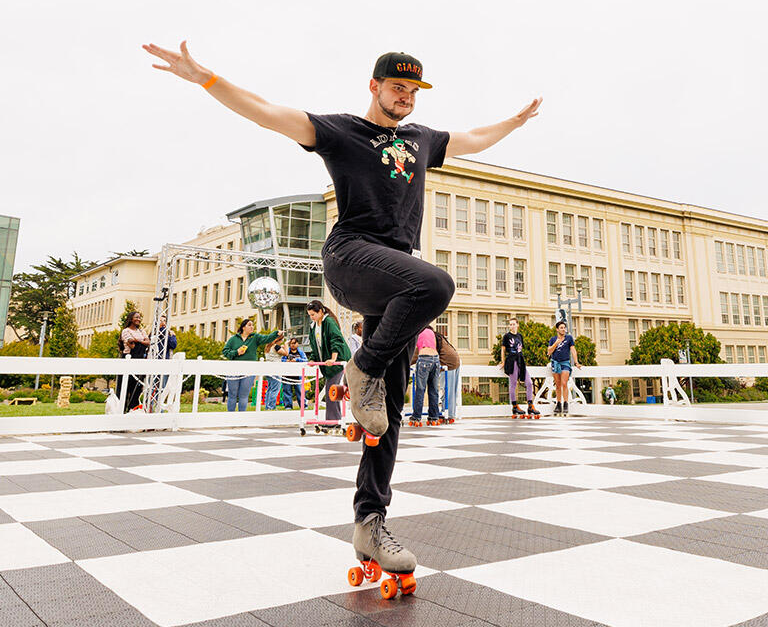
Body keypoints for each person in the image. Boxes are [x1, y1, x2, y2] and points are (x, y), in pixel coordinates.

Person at [144, 40, 540, 581]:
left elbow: (471, 140)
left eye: (413, 91)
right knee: (437, 283)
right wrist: (207, 78)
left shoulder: (422, 141)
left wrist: (513, 125)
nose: (406, 98)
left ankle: (370, 521)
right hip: (352, 258)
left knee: (389, 414)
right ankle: (363, 369)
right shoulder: (342, 131)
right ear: (374, 87)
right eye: (397, 87)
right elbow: (268, 113)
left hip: (394, 283)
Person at [222, 319, 283, 412]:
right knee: (232, 394)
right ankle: (231, 417)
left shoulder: (255, 337)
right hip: (234, 369)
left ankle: (241, 417)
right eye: (249, 325)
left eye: (252, 325)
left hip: (249, 369)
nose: (252, 327)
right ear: (243, 327)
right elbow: (225, 351)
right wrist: (236, 352)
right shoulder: (233, 339)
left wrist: (276, 333)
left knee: (243, 395)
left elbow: (267, 338)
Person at [306, 300, 350, 423]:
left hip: (338, 361)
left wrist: (334, 358)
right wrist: (312, 359)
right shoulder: (313, 326)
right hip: (327, 363)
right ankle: (333, 420)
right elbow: (314, 345)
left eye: (313, 314)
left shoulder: (329, 322)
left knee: (332, 390)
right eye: (309, 315)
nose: (311, 317)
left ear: (320, 311)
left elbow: (336, 339)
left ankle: (333, 421)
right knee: (331, 390)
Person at [500, 317, 539, 418]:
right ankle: (514, 406)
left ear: (517, 325)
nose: (512, 326)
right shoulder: (506, 336)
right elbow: (503, 349)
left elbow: (520, 349)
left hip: (520, 360)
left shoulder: (520, 336)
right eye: (510, 324)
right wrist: (503, 362)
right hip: (512, 361)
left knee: (529, 382)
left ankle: (530, 406)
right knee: (513, 384)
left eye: (513, 324)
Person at [547, 320, 582, 416]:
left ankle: (566, 403)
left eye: (564, 328)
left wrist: (576, 362)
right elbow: (549, 352)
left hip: (565, 363)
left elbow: (573, 350)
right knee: (557, 385)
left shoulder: (569, 338)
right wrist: (556, 343)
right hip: (555, 363)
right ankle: (558, 404)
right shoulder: (553, 339)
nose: (563, 329)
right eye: (561, 328)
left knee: (564, 383)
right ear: (557, 329)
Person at [118, 310, 150, 412]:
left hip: (140, 359)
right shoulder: (126, 331)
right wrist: (142, 341)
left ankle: (133, 409)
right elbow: (131, 344)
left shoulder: (141, 331)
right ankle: (121, 410)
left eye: (139, 317)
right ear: (131, 319)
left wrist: (138, 341)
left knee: (137, 387)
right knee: (126, 386)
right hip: (129, 358)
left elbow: (148, 342)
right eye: (136, 317)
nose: (138, 319)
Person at [410, 326, 441, 425]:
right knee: (434, 390)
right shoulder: (432, 333)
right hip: (436, 359)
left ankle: (416, 417)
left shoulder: (417, 331)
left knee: (420, 389)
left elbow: (413, 348)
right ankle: (434, 417)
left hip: (424, 359)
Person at [280, 337, 308, 409]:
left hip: (298, 375)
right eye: (291, 343)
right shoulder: (286, 351)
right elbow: (281, 360)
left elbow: (306, 360)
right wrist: (287, 361)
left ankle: (303, 406)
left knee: (300, 392)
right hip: (287, 375)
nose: (292, 345)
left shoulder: (301, 353)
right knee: (287, 392)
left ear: (297, 344)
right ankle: (288, 406)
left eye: (294, 343)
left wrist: (297, 360)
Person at [263, 338, 284, 410]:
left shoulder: (268, 347)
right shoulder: (276, 347)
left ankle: (268, 406)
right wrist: (286, 346)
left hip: (268, 369)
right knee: (275, 390)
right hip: (276, 370)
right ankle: (271, 407)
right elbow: (286, 353)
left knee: (270, 389)